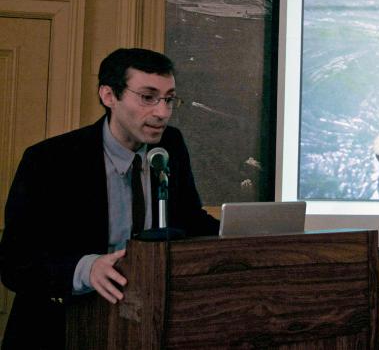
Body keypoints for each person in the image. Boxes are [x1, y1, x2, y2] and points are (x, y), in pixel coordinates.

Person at [0, 48, 219, 349]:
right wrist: (86, 269)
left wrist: (246, 233)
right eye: (147, 97)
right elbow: (15, 262)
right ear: (108, 95)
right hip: (61, 327)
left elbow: (189, 220)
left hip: (144, 323)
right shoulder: (49, 160)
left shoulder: (171, 145)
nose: (162, 112)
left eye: (169, 99)